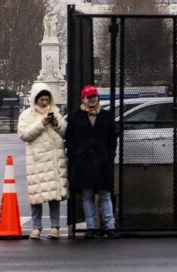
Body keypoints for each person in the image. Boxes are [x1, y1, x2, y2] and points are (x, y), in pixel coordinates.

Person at [65, 84, 116, 238]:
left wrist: (109, 155)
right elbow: (70, 138)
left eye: (94, 96)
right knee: (87, 195)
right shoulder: (75, 116)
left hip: (101, 160)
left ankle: (109, 226)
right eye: (89, 97)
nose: (92, 99)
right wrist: (76, 154)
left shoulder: (107, 116)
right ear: (83, 99)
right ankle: (92, 226)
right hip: (84, 161)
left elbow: (113, 138)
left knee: (104, 194)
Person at [17, 82, 68, 239]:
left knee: (54, 197)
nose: (45, 102)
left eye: (47, 99)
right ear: (35, 99)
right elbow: (24, 135)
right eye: (42, 100)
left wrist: (56, 123)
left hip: (54, 160)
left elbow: (65, 132)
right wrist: (41, 124)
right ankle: (36, 227)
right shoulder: (26, 115)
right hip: (37, 161)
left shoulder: (56, 112)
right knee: (36, 197)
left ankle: (55, 227)